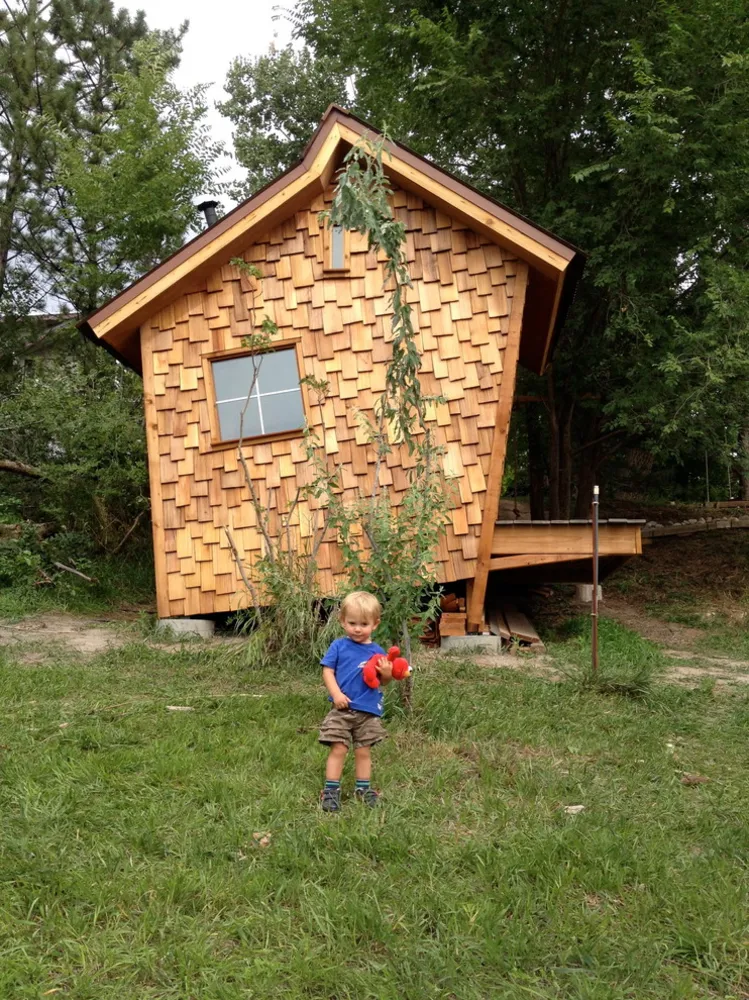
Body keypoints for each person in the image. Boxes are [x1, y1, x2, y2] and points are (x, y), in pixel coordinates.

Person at [318, 591, 393, 811]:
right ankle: (331, 790)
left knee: (363, 751)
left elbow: (383, 683)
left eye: (363, 624)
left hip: (368, 711)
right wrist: (336, 694)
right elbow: (327, 671)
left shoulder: (378, 652)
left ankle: (363, 788)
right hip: (342, 709)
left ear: (375, 624)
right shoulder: (339, 646)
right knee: (339, 748)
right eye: (352, 623)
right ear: (342, 622)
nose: (357, 629)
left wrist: (387, 673)